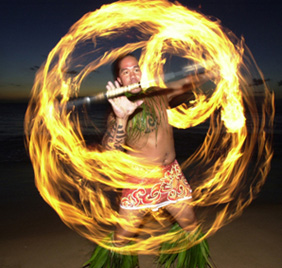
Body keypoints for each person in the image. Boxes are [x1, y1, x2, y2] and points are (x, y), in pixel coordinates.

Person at [102, 54, 212, 247]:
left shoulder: (157, 94)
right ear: (119, 79)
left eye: (136, 69)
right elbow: (109, 150)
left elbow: (185, 83)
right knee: (121, 240)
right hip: (140, 180)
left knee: (192, 229)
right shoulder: (117, 110)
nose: (133, 76)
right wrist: (121, 118)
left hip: (171, 176)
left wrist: (212, 71)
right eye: (126, 72)